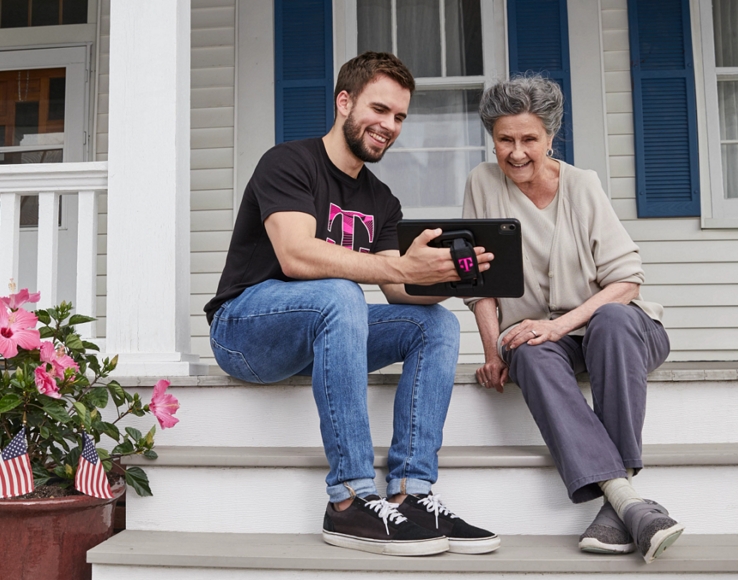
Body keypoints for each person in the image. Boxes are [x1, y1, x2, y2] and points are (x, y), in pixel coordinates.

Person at [204, 52, 499, 557]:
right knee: (340, 293)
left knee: (435, 324)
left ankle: (410, 493)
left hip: (324, 335)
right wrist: (402, 268)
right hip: (244, 332)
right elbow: (296, 255)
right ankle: (350, 499)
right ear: (344, 102)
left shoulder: (381, 200)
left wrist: (454, 275)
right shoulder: (288, 162)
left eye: (399, 117)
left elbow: (398, 290)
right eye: (379, 109)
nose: (389, 126)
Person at [462, 74, 683, 564]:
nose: (517, 152)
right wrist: (493, 351)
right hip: (549, 340)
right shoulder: (482, 183)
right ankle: (628, 505)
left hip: (621, 331)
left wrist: (558, 326)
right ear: (492, 140)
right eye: (505, 139)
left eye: (529, 139)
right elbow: (480, 284)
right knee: (525, 352)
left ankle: (616, 497)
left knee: (611, 320)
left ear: (550, 138)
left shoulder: (582, 185)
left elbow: (627, 282)